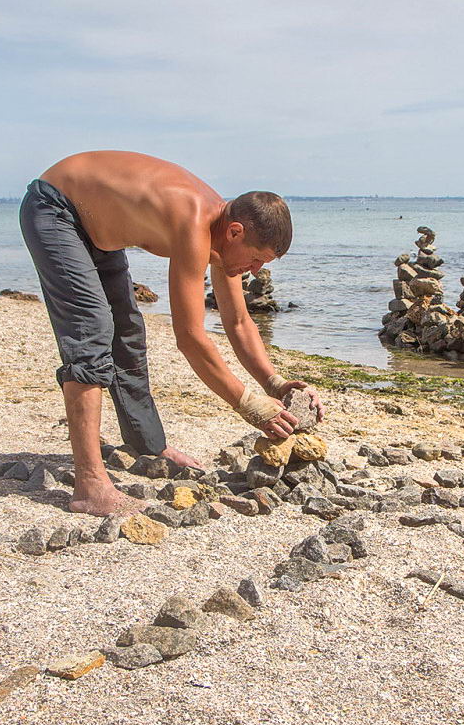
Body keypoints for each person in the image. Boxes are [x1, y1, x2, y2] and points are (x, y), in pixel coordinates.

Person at [20, 150, 323, 515]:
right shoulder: (193, 221)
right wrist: (248, 404)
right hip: (56, 209)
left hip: (95, 228)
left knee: (128, 333)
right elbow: (190, 337)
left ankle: (149, 448)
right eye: (257, 259)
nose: (257, 271)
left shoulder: (224, 237)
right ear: (236, 231)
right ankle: (89, 485)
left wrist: (275, 385)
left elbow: (238, 322)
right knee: (92, 332)